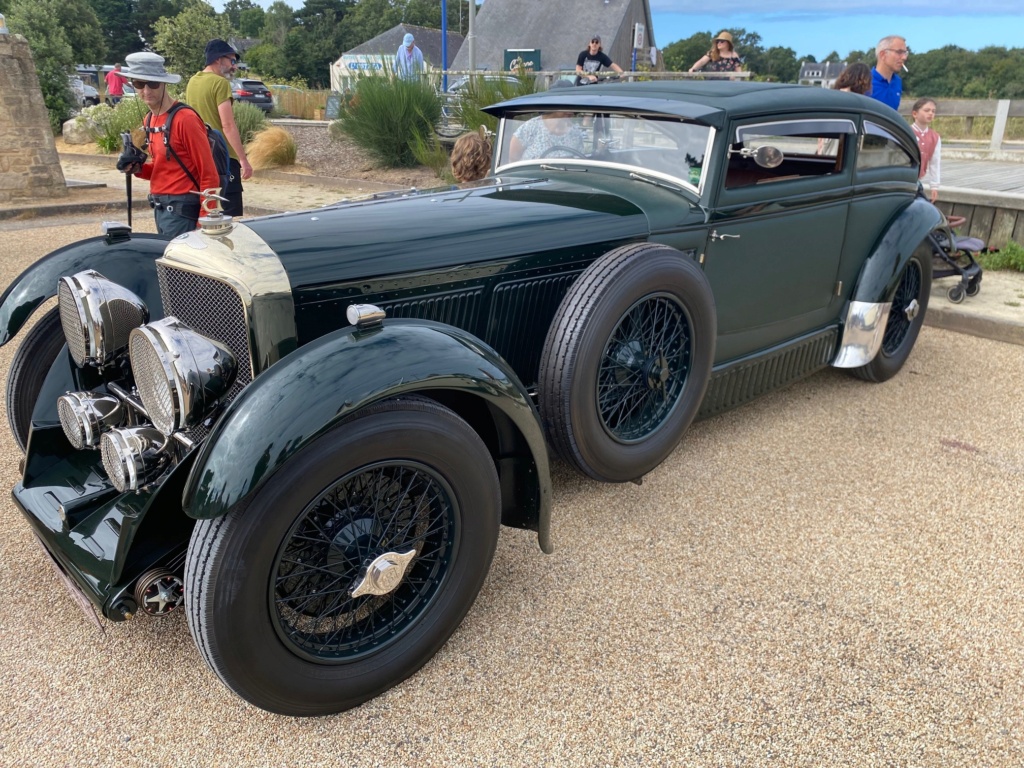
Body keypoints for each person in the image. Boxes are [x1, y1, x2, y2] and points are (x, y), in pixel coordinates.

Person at [115, 52, 219, 238]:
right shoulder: (150, 119)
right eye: (139, 84)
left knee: (180, 266)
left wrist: (205, 221)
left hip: (183, 211)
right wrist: (137, 169)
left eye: (153, 84)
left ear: (164, 83)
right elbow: (163, 167)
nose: (146, 91)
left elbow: (208, 173)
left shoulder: (185, 119)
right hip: (161, 209)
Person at [186, 38, 253, 217]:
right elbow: (228, 125)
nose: (234, 66)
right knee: (229, 217)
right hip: (224, 158)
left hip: (201, 156)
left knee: (208, 211)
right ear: (218, 59)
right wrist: (243, 160)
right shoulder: (220, 83)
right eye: (231, 61)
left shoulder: (193, 81)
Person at [509, 112, 586, 162]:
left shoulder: (575, 132)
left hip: (565, 182)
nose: (571, 111)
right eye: (567, 105)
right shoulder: (530, 127)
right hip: (531, 182)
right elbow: (513, 158)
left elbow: (579, 160)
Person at [911, 98, 941, 203]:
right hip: (904, 178)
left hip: (918, 179)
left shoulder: (935, 137)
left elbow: (934, 162)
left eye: (933, 111)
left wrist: (934, 185)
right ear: (915, 114)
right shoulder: (908, 131)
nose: (930, 113)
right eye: (926, 110)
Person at [869, 35, 908, 110]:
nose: (904, 57)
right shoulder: (865, 82)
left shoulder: (897, 81)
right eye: (899, 52)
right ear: (883, 55)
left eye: (905, 53)